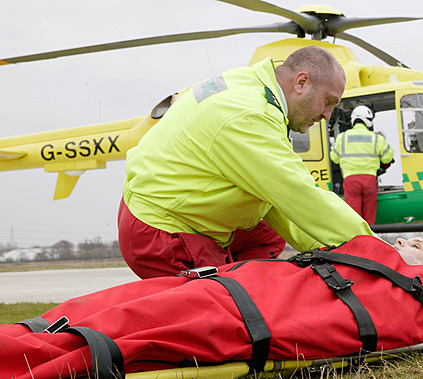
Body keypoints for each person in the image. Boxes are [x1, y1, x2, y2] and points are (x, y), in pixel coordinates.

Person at [118, 46, 376, 279]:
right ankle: (231, 290)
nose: (327, 115)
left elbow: (280, 203)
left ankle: (242, 283)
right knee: (227, 311)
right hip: (163, 229)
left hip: (171, 205)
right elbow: (301, 195)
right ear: (301, 82)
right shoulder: (249, 117)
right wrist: (382, 256)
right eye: (328, 102)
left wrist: (341, 252)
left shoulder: (251, 81)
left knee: (267, 234)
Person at [330, 105, 394, 224]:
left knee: (354, 217)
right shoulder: (375, 138)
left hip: (350, 180)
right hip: (369, 180)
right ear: (368, 120)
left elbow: (334, 158)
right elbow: (387, 158)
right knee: (369, 216)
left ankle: (357, 239)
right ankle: (370, 237)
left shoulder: (342, 137)